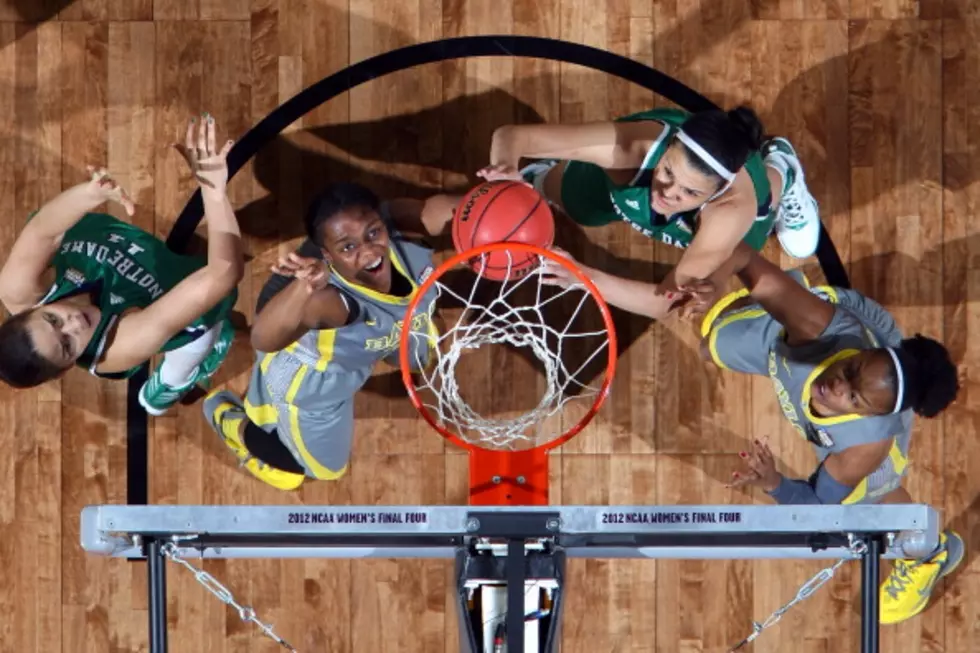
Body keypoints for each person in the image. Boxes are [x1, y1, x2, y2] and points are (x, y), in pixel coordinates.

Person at [689, 241, 961, 625]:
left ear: (871, 412)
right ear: (859, 357)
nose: (835, 389)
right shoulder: (822, 330)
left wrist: (774, 483)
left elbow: (819, 508)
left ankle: (928, 551)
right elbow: (743, 255)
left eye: (852, 396)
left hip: (867, 416)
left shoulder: (867, 443)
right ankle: (784, 309)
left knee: (872, 493)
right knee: (710, 340)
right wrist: (714, 281)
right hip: (831, 329)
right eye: (850, 373)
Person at [202, 183, 448, 490]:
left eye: (372, 233)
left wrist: (499, 197)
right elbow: (263, 338)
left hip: (358, 345)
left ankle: (264, 398)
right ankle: (227, 417)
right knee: (312, 471)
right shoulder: (330, 302)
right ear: (327, 256)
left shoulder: (397, 227)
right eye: (348, 247)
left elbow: (455, 211)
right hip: (312, 381)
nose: (369, 250)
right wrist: (305, 287)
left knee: (426, 353)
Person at [0, 114, 243, 416]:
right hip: (183, 307)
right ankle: (165, 391)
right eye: (67, 345)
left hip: (134, 251)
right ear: (66, 368)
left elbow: (42, 230)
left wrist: (89, 194)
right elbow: (222, 273)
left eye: (53, 319)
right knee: (198, 342)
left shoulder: (18, 287)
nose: (74, 322)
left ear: (29, 310)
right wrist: (213, 192)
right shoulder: (121, 346)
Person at [478, 106, 821, 317]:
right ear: (669, 147)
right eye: (669, 172)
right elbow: (512, 135)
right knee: (572, 201)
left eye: (689, 192)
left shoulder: (730, 212)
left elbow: (663, 304)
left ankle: (782, 169)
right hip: (635, 173)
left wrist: (583, 276)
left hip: (735, 215)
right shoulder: (634, 147)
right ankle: (542, 180)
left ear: (717, 192)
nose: (667, 193)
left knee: (763, 205)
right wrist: (506, 167)